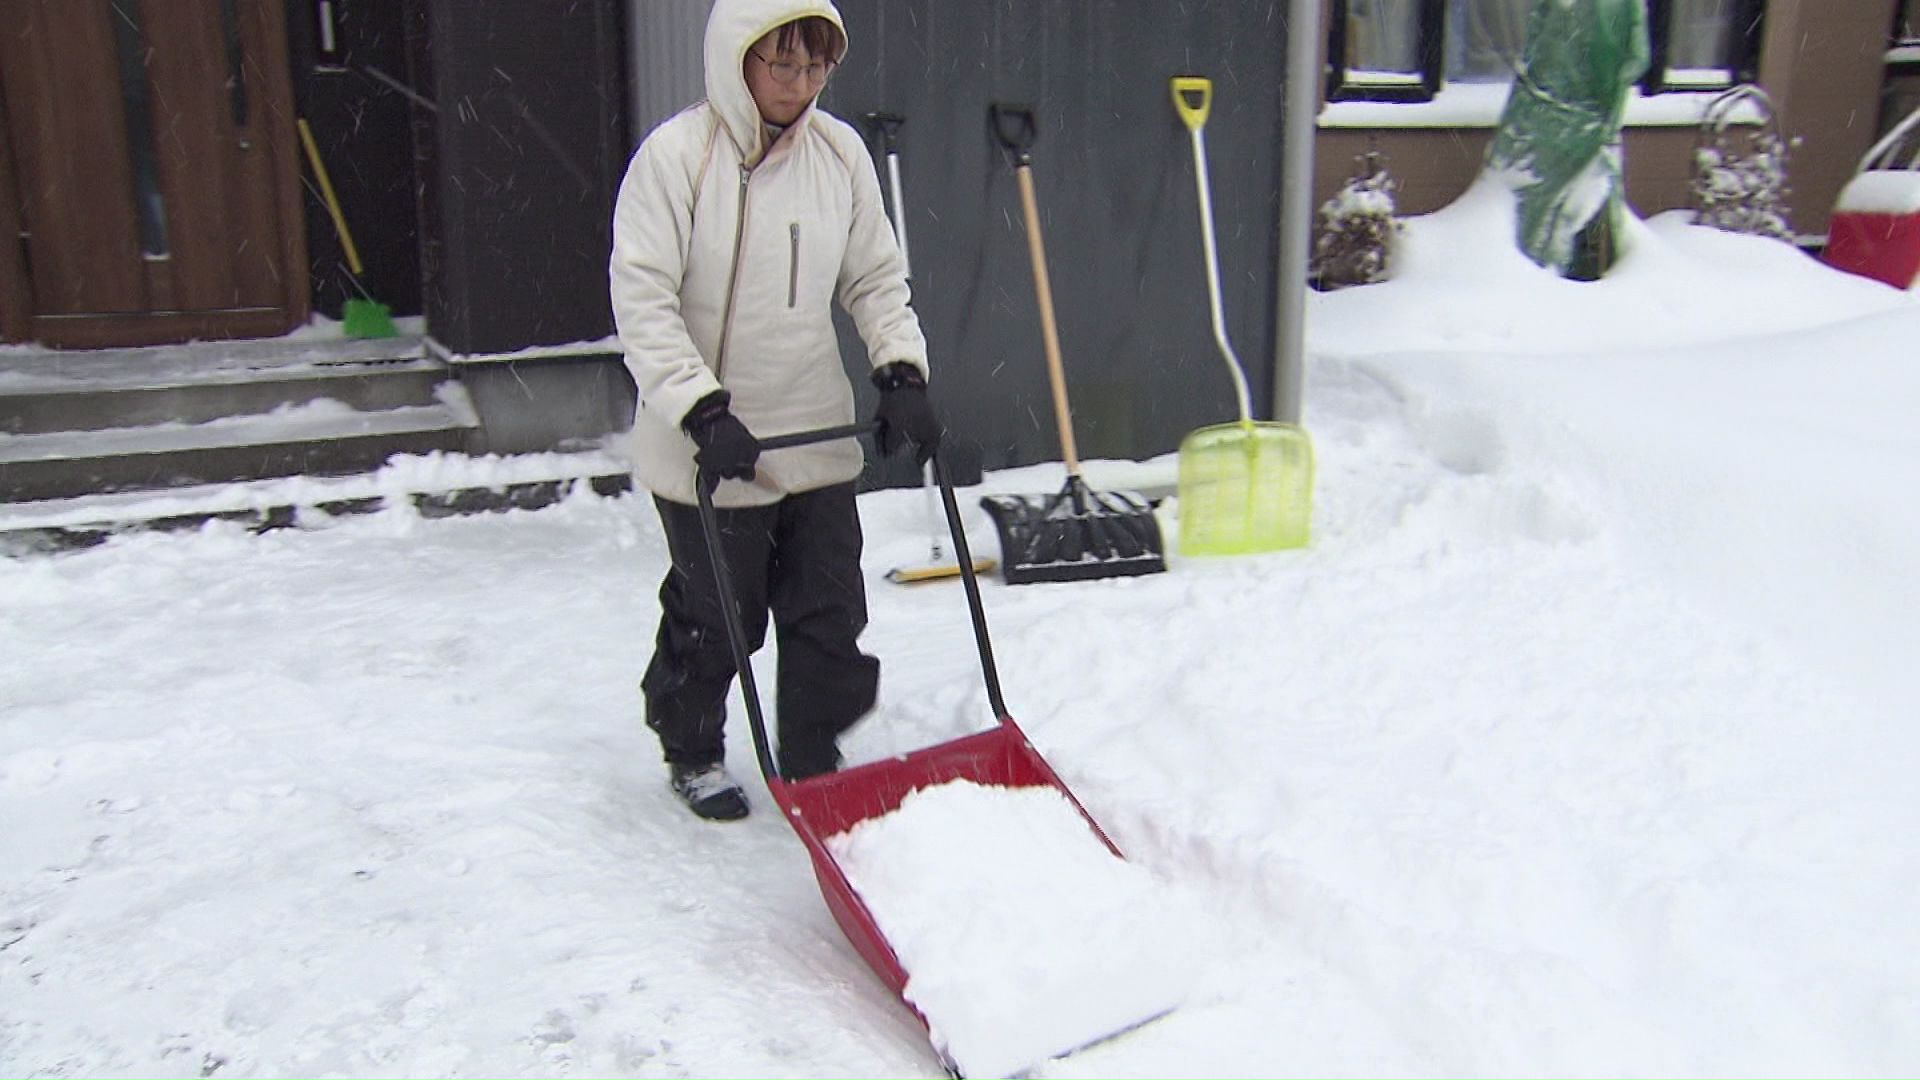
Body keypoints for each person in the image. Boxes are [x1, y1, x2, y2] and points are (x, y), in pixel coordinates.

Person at [610, 0, 942, 821]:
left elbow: (872, 277)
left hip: (812, 428)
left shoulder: (840, 154)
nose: (800, 84)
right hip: (708, 441)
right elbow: (643, 301)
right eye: (781, 64)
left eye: (816, 66)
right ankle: (691, 749)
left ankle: (811, 756)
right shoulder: (677, 158)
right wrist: (699, 409)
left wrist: (901, 370)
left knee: (829, 608)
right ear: (738, 58)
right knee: (719, 617)